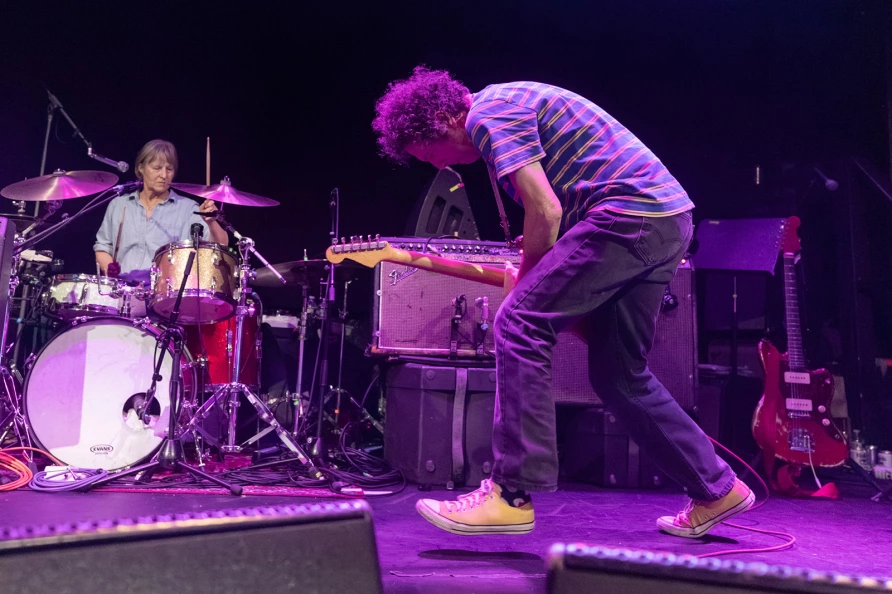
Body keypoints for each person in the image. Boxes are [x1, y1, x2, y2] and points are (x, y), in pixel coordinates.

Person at [372, 67, 754, 538]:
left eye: (428, 153)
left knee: (518, 323)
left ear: (441, 118)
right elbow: (563, 207)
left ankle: (510, 493)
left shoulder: (489, 114)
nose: (436, 167)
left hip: (627, 217)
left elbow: (546, 210)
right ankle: (717, 487)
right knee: (619, 374)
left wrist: (527, 282)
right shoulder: (506, 108)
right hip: (665, 219)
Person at [94, 139, 228, 283]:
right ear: (141, 168)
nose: (164, 175)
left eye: (169, 169)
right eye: (157, 168)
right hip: (122, 291)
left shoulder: (188, 208)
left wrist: (212, 223)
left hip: (163, 295)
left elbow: (221, 246)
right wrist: (109, 267)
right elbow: (102, 247)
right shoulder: (119, 205)